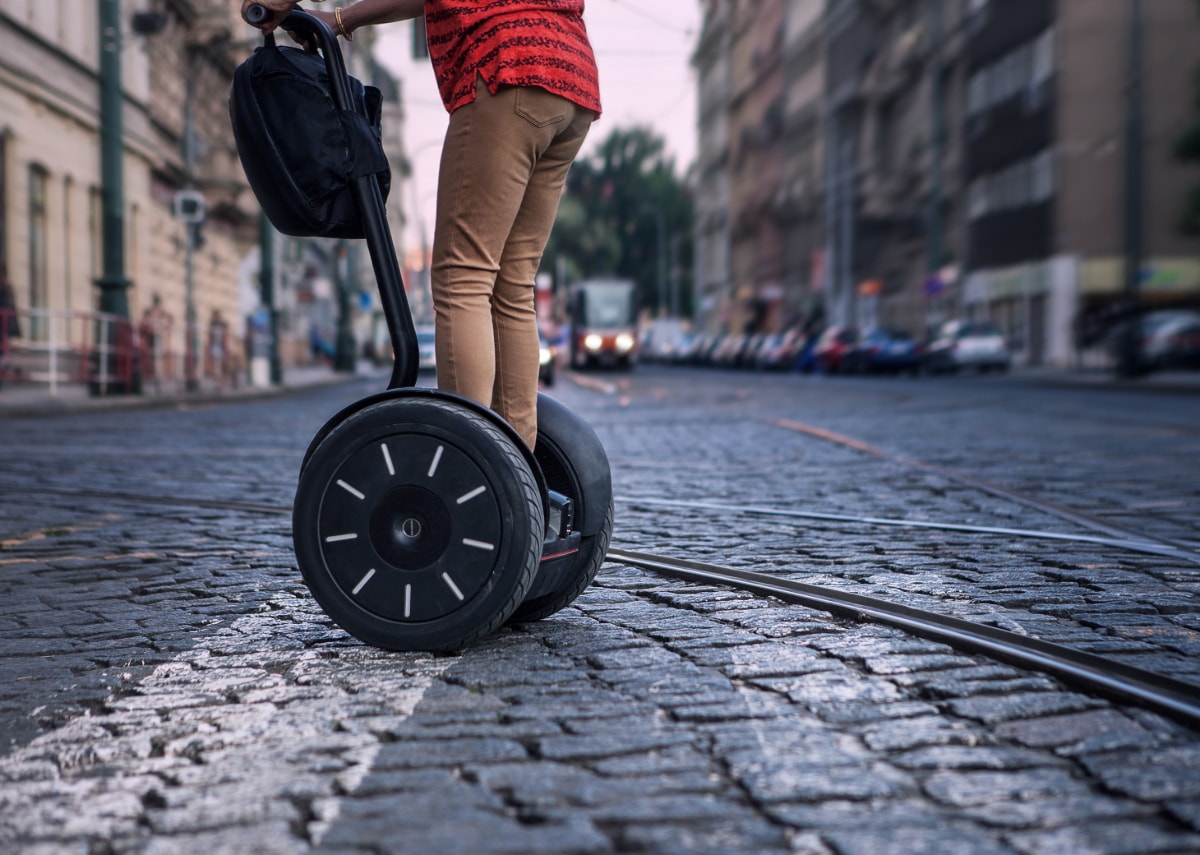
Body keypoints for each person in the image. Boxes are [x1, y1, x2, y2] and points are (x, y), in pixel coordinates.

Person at [241, 0, 601, 451]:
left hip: (508, 64)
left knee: (463, 275)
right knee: (512, 284)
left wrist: (338, 19)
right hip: (571, 77)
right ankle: (515, 464)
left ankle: (471, 456)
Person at [0, 267, 19, 392]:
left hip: (3, 330)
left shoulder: (7, 289)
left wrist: (10, 334)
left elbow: (10, 311)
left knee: (2, 360)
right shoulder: (7, 289)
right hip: (3, 330)